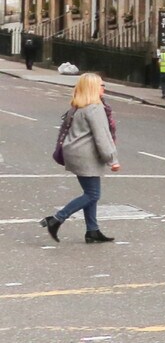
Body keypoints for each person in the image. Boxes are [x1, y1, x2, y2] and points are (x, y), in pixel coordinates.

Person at [42, 71, 121, 243]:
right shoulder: (95, 108)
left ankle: (92, 231)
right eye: (101, 85)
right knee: (93, 195)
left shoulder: (79, 106)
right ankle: (56, 219)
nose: (104, 87)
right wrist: (112, 160)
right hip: (86, 156)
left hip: (74, 153)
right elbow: (102, 136)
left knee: (90, 193)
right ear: (93, 88)